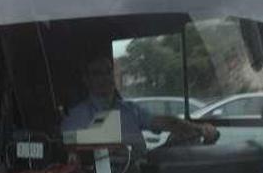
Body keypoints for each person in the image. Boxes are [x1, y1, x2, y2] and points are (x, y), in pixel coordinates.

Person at [62, 55, 219, 152]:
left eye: (108, 71)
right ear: (86, 79)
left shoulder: (130, 110)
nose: (105, 77)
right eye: (97, 73)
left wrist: (199, 129)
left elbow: (164, 122)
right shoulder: (76, 117)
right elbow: (74, 165)